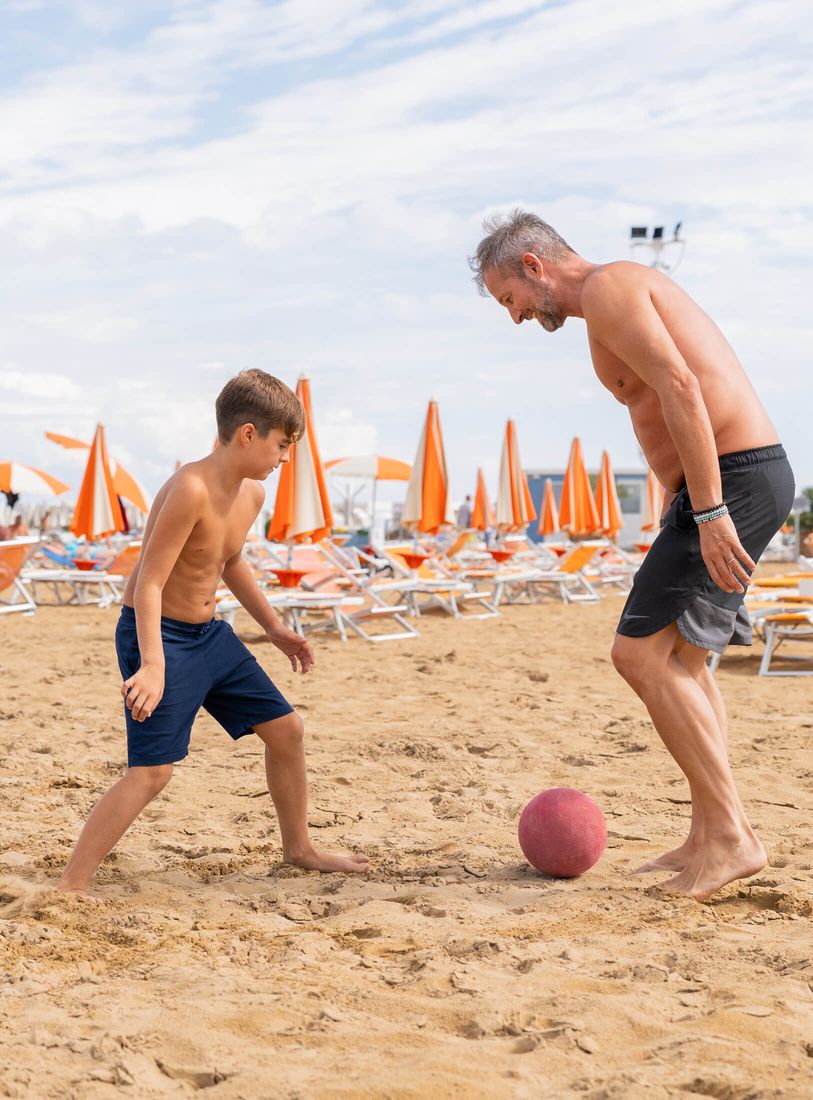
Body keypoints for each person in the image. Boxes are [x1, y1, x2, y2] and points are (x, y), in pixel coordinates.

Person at [470, 209, 795, 901]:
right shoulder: (607, 304)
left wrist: (707, 511)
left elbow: (680, 386)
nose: (515, 316)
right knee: (681, 660)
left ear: (534, 266)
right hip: (726, 480)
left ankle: (733, 838)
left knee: (637, 655)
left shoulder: (613, 287)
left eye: (510, 299)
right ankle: (710, 830)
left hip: (730, 480)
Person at [58, 369, 369, 898]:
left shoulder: (250, 496)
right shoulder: (190, 488)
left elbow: (228, 560)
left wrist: (272, 627)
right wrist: (153, 665)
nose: (285, 457)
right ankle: (71, 885)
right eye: (282, 444)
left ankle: (300, 849)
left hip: (209, 636)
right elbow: (150, 582)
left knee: (287, 731)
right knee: (153, 773)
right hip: (156, 635)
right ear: (248, 434)